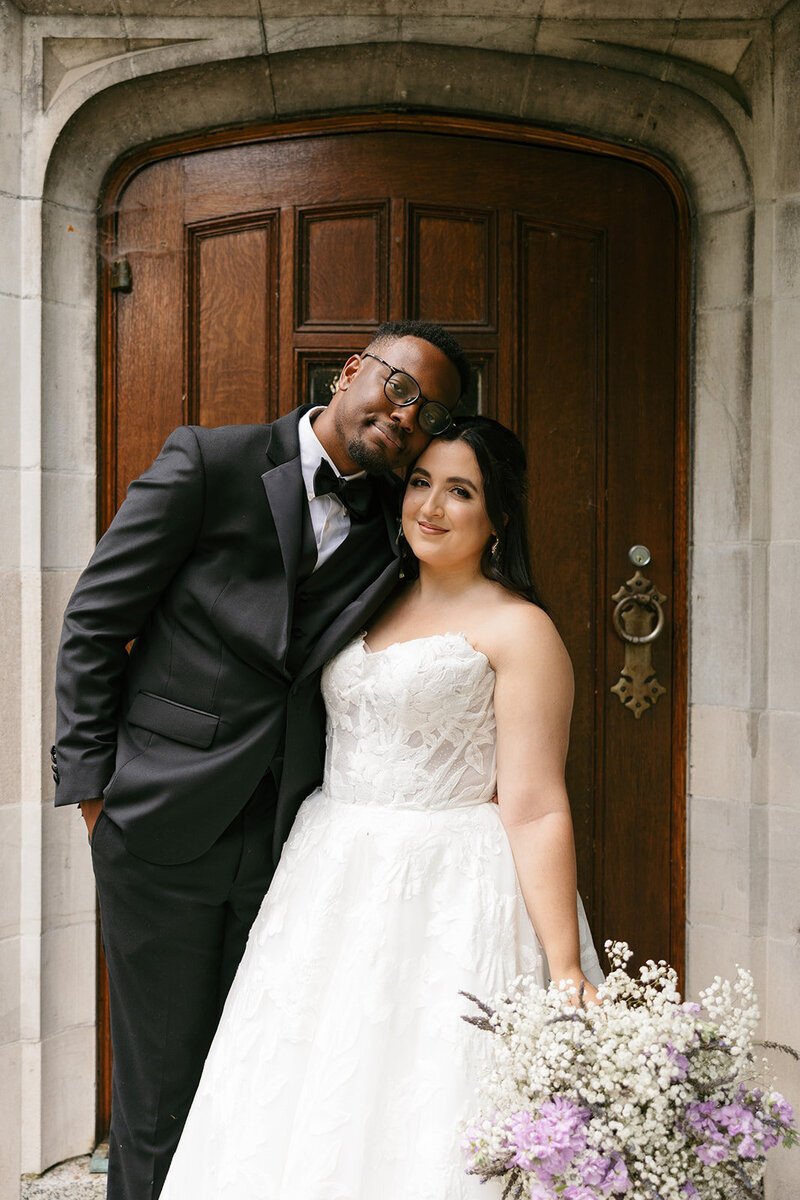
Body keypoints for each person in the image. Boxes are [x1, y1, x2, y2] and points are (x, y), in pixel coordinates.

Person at [52, 321, 467, 1200]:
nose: (406, 415)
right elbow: (95, 621)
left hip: (292, 843)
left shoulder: (398, 523)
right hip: (160, 824)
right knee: (157, 1099)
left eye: (428, 413)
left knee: (253, 1092)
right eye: (399, 387)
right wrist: (96, 797)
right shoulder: (211, 462)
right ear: (351, 370)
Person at [159, 415, 604, 1200]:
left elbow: (535, 806)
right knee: (305, 1088)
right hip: (329, 871)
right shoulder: (368, 598)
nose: (431, 506)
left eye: (460, 491)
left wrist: (565, 969)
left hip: (448, 884)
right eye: (422, 483)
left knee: (424, 1095)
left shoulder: (519, 630)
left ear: (498, 517)